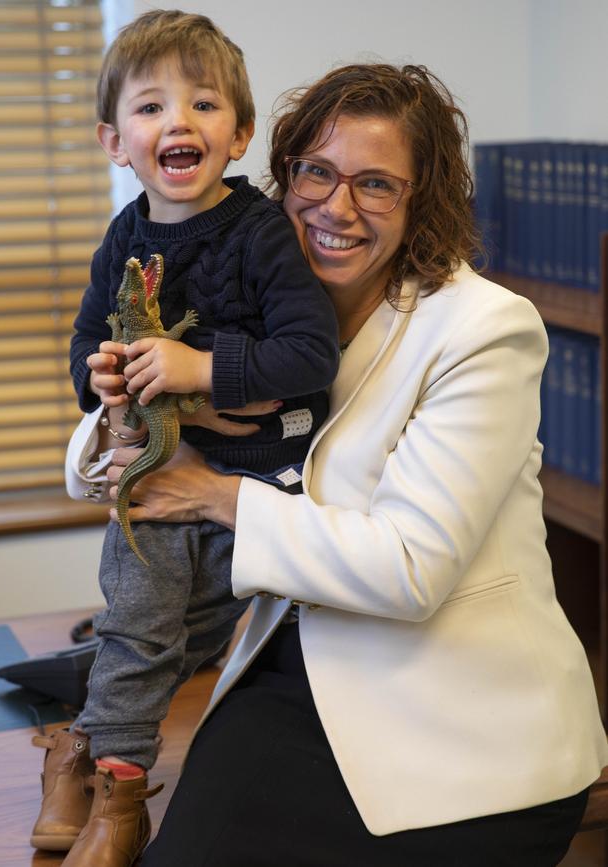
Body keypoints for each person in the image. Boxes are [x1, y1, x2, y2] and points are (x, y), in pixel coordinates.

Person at [68, 61, 608, 866]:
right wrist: (120, 412)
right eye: (316, 172)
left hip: (462, 725)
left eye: (377, 185)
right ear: (281, 173)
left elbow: (409, 568)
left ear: (421, 200)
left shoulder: (484, 329)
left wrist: (214, 495)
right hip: (289, 672)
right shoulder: (252, 289)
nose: (336, 207)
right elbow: (95, 466)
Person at [31, 10, 339, 867]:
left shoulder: (261, 232)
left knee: (183, 636)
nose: (179, 122)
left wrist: (196, 368)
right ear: (114, 141)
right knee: (138, 623)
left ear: (238, 132)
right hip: (160, 482)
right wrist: (96, 378)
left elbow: (311, 353)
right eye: (151, 107)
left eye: (203, 104)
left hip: (261, 487)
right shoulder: (122, 239)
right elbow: (86, 348)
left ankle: (80, 750)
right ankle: (118, 796)